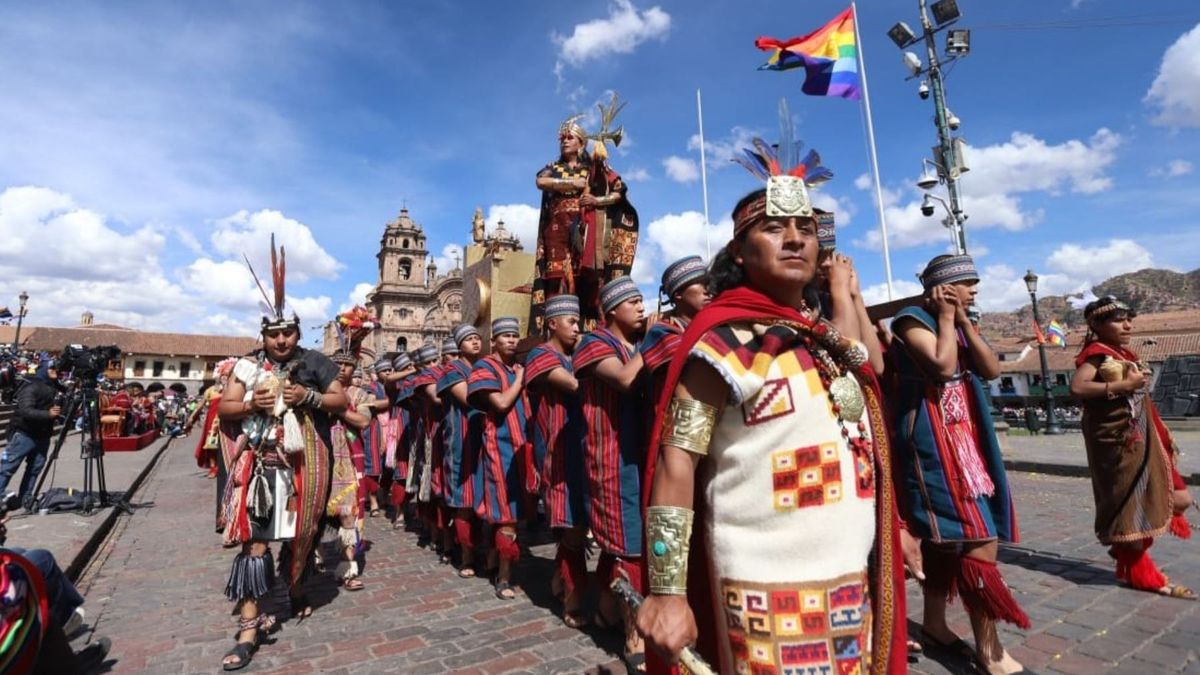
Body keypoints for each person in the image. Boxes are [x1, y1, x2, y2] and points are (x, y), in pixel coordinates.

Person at [636, 138, 907, 674]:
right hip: (766, 587)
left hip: (850, 572)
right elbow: (677, 460)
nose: (793, 240)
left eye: (806, 229)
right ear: (739, 250)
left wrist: (895, 532)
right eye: (774, 228)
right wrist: (667, 592)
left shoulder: (823, 340)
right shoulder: (722, 346)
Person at [889, 254, 1029, 674]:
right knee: (978, 536)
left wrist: (965, 321)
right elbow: (943, 365)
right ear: (944, 288)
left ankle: (934, 624)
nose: (973, 293)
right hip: (932, 443)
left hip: (967, 440)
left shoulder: (962, 320)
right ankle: (990, 648)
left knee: (946, 541)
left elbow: (988, 368)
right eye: (968, 286)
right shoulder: (910, 320)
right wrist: (948, 318)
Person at [214, 240, 347, 671]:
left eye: (288, 332)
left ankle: (294, 587)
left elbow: (340, 400)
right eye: (274, 334)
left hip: (306, 462)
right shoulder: (246, 365)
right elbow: (226, 407)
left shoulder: (316, 361)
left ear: (297, 331)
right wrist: (255, 403)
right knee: (255, 541)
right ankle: (250, 626)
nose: (282, 340)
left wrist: (307, 395)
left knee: (301, 534)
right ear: (264, 335)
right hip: (262, 464)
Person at [1070, 296, 1195, 598]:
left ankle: (1126, 556)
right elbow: (1078, 387)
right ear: (1096, 325)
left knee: (1175, 498)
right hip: (1119, 443)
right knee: (1131, 504)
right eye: (1118, 319)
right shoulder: (1097, 354)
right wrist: (1123, 386)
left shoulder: (1121, 352)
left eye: (1129, 319)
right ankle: (1142, 572)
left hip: (1138, 437)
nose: (1127, 325)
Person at [574, 275, 647, 667]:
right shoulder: (594, 343)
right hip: (612, 459)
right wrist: (658, 340)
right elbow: (623, 379)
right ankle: (634, 637)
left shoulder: (633, 345)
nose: (641, 306)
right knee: (628, 544)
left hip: (637, 455)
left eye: (641, 300)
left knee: (621, 543)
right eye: (632, 301)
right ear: (611, 310)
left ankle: (604, 610)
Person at [531, 96, 639, 330]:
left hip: (585, 228)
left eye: (570, 138)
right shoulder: (554, 166)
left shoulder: (593, 166)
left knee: (591, 278)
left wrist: (596, 198)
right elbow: (540, 181)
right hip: (557, 230)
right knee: (556, 278)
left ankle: (597, 326)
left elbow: (619, 191)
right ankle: (554, 328)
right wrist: (574, 184)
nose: (564, 142)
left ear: (582, 143)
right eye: (562, 138)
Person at [524, 295, 590, 627]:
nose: (578, 329)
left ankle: (560, 580)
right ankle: (572, 597)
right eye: (572, 322)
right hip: (559, 450)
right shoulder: (541, 355)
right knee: (573, 522)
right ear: (552, 323)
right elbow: (577, 386)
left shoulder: (576, 353)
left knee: (578, 523)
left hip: (585, 444)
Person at [467, 317, 530, 600]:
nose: (512, 340)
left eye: (515, 335)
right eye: (505, 335)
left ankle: (494, 561)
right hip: (499, 446)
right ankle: (503, 577)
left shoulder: (516, 366)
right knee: (506, 513)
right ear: (494, 340)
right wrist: (519, 379)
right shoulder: (485, 367)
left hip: (521, 447)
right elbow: (502, 403)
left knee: (514, 509)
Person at [437, 324, 485, 578]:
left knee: (482, 497)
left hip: (484, 439)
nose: (476, 342)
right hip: (461, 440)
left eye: (478, 338)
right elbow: (470, 398)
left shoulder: (483, 367)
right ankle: (466, 557)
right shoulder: (453, 370)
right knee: (464, 499)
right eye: (469, 339)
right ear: (459, 345)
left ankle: (482, 550)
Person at [640, 256, 710, 405]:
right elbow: (704, 360)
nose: (708, 290)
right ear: (678, 293)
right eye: (700, 284)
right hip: (674, 423)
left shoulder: (710, 328)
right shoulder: (661, 332)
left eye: (709, 283)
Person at [0, 357, 60, 511]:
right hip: (24, 434)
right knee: (7, 468)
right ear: (44, 370)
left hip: (43, 436)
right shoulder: (32, 387)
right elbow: (25, 411)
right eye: (51, 369)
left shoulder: (53, 387)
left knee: (34, 469)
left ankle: (25, 499)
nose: (56, 372)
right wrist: (47, 414)